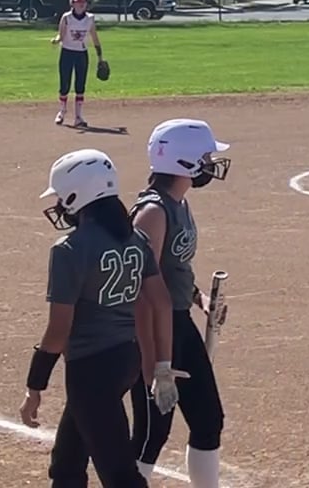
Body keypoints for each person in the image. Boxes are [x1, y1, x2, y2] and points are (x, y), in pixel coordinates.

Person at [22, 148, 179, 488]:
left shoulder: (70, 249)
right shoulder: (136, 239)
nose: (59, 205)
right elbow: (162, 302)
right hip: (126, 360)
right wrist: (163, 365)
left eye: (62, 197)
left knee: (120, 475)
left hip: (90, 369)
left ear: (77, 196)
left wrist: (35, 384)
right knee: (67, 463)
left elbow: (58, 331)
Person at [129, 119, 234, 487]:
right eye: (204, 157)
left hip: (179, 324)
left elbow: (172, 270)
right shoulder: (153, 213)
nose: (210, 163)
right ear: (184, 161)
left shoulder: (179, 203)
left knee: (208, 420)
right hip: (154, 330)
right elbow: (141, 288)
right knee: (152, 434)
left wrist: (199, 298)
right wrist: (154, 363)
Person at [51, 0, 104, 127]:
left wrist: (100, 57)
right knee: (64, 84)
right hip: (67, 52)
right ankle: (62, 111)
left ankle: (78, 116)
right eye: (78, 2)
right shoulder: (66, 17)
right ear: (73, 4)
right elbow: (61, 35)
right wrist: (56, 40)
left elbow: (95, 37)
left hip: (81, 54)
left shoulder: (90, 19)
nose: (81, 4)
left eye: (83, 2)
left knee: (80, 85)